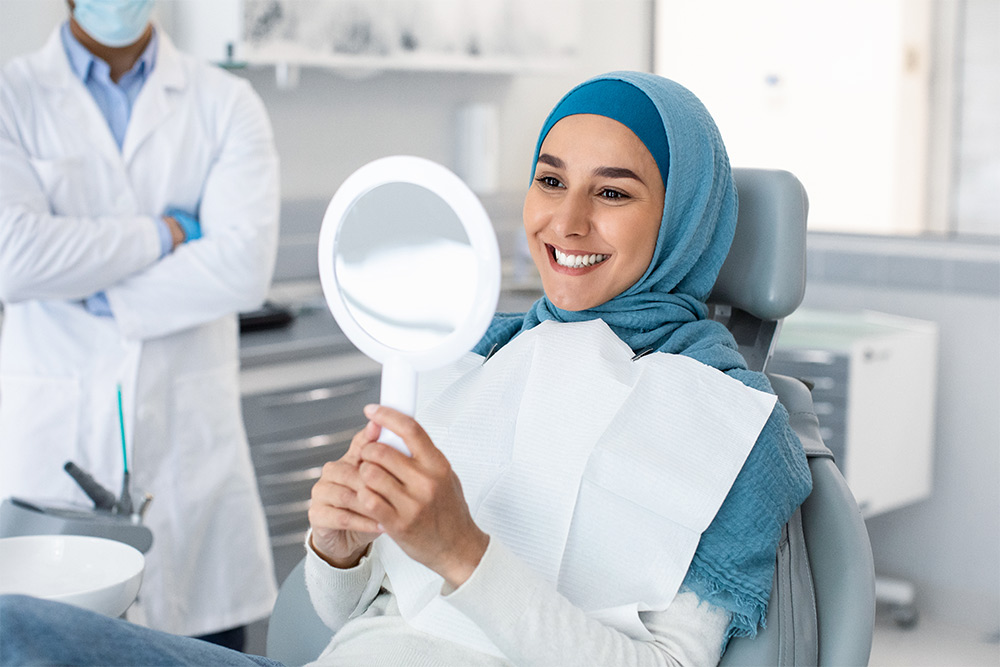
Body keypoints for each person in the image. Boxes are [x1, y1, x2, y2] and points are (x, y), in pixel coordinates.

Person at [0, 71, 811, 666]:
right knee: (18, 630)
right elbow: (355, 611)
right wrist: (340, 547)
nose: (566, 219)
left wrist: (462, 550)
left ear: (683, 216)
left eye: (614, 193)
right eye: (550, 179)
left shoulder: (729, 426)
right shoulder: (476, 358)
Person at [0, 0, 279, 651]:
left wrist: (90, 284)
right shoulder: (12, 95)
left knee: (205, 646)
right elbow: (13, 255)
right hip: (51, 461)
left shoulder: (227, 102)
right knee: (44, 640)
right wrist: (167, 233)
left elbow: (243, 266)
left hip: (190, 476)